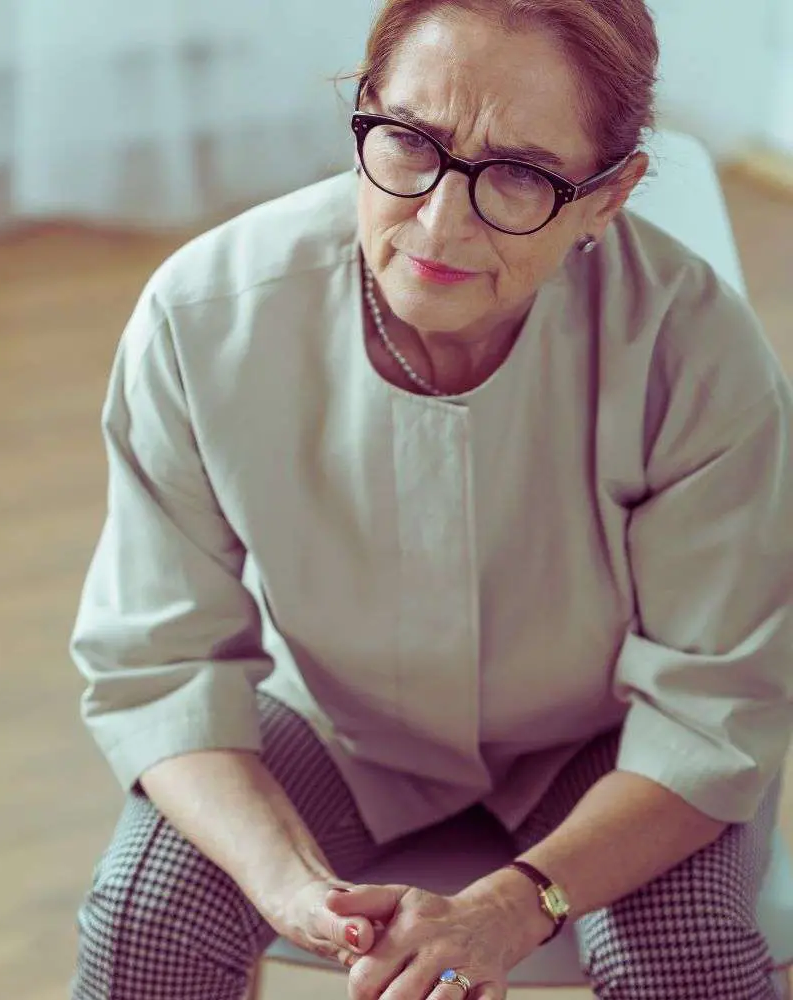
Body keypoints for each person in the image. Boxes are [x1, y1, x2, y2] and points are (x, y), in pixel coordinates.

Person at [69, 1, 793, 998]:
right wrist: (286, 883)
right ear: (361, 114)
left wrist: (518, 900)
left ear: (607, 193)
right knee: (149, 921)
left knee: (677, 959)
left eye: (519, 175)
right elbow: (159, 662)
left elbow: (711, 713)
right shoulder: (203, 317)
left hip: (613, 739)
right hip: (336, 722)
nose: (440, 224)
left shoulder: (696, 353)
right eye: (410, 144)